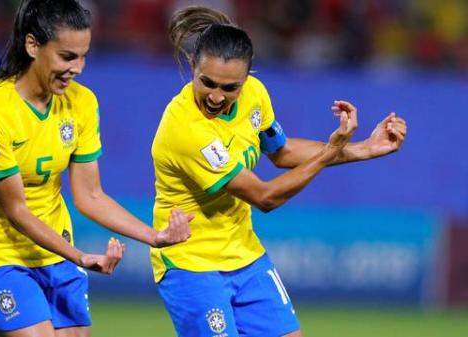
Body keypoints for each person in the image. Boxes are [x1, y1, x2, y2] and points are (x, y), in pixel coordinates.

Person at [150, 6, 407, 337]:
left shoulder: (255, 94)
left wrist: (364, 149)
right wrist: (331, 148)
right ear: (192, 66)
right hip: (191, 265)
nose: (216, 97)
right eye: (207, 82)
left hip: (245, 256)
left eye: (230, 88)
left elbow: (283, 153)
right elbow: (265, 196)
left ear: (247, 78)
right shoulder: (185, 128)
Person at [0, 1, 191, 337]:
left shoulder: (82, 103)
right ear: (33, 45)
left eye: (83, 56)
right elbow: (17, 211)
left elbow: (90, 195)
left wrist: (155, 237)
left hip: (55, 253)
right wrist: (79, 256)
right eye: (67, 56)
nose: (78, 68)